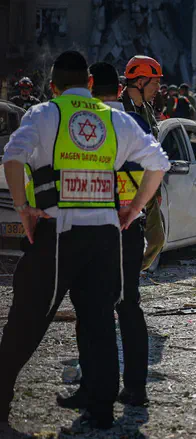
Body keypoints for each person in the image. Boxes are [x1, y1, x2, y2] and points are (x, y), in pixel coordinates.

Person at [0, 50, 169, 432]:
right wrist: (134, 209)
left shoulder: (44, 114)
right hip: (105, 235)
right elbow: (159, 163)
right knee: (98, 322)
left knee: (25, 323)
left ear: (53, 86)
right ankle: (101, 411)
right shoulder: (115, 119)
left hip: (57, 233)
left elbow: (12, 156)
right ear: (88, 83)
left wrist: (24, 208)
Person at [54, 62, 152, 413]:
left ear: (89, 85)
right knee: (126, 305)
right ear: (121, 88)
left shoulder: (82, 123)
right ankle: (133, 387)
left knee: (89, 308)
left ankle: (93, 388)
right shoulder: (135, 123)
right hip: (127, 227)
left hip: (90, 226)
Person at [120, 55, 166, 271]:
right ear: (140, 82)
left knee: (156, 239)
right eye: (154, 82)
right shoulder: (118, 108)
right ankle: (123, 277)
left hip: (147, 185)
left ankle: (129, 272)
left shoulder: (147, 109)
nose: (158, 88)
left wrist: (157, 188)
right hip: (124, 188)